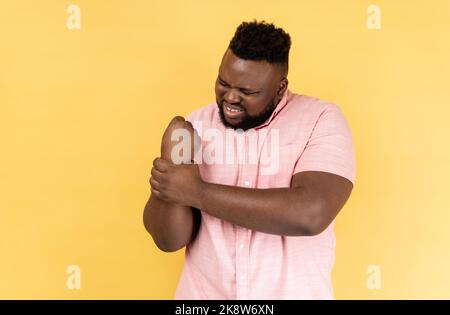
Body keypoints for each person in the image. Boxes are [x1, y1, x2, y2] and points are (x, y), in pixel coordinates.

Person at [143, 20, 355, 299]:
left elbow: (310, 215)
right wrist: (170, 172)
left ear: (280, 88)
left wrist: (197, 192)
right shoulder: (195, 125)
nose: (230, 97)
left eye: (248, 92)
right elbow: (168, 241)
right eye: (223, 82)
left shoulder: (320, 120)